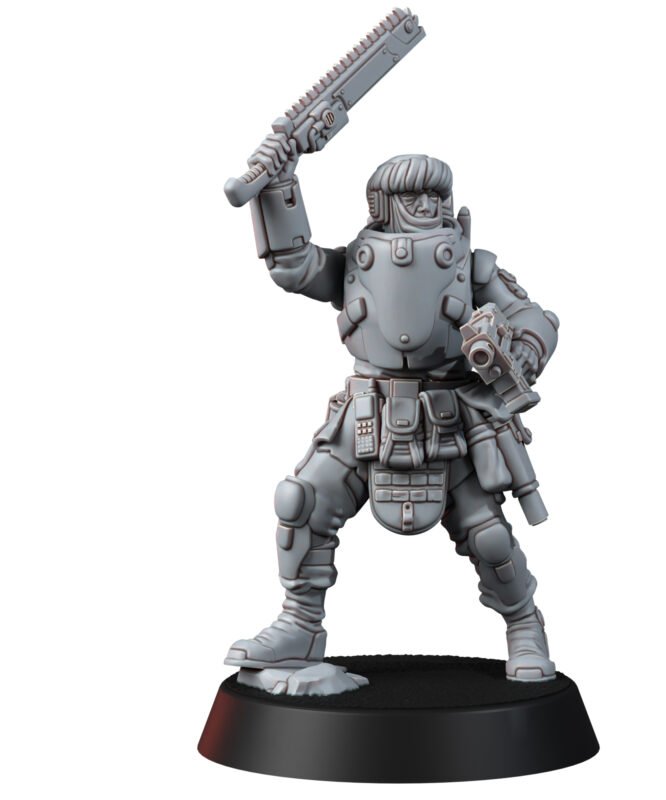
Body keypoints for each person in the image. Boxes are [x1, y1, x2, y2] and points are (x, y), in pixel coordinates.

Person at [225, 148, 561, 683]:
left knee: (488, 537)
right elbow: (293, 266)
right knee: (301, 501)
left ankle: (524, 625)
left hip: (450, 416)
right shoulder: (356, 261)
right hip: (366, 412)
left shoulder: (470, 262)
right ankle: (299, 624)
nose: (426, 205)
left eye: (435, 194)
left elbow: (534, 316)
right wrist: (278, 185)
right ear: (382, 203)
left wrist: (521, 350)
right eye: (412, 195)